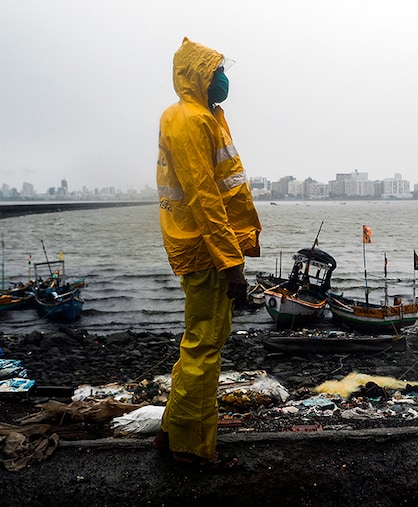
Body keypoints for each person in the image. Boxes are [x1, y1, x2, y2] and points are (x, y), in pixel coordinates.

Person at [153, 37, 261, 470]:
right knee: (204, 348)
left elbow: (221, 187)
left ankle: (171, 433)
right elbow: (204, 197)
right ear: (200, 75)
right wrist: (231, 264)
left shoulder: (204, 117)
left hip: (204, 248)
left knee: (199, 342)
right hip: (206, 251)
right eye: (218, 71)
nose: (224, 79)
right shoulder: (190, 120)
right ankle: (192, 450)